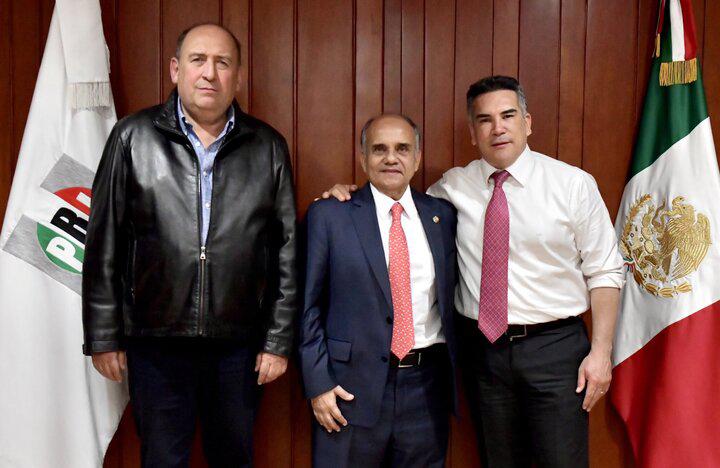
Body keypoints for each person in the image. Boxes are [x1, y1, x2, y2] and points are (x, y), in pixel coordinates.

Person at [323, 76, 624, 467]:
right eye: (485, 120)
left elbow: (605, 271)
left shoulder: (572, 185)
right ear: (472, 132)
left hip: (555, 351)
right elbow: (396, 204)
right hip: (485, 354)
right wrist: (350, 198)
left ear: (527, 123)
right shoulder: (451, 188)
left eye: (508, 116)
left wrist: (601, 353)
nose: (497, 128)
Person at [82, 23, 297, 467]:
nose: (209, 73)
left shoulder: (268, 147)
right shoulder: (132, 137)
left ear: (238, 76)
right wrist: (103, 336)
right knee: (162, 460)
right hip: (155, 343)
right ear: (176, 70)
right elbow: (104, 242)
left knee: (233, 459)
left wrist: (277, 340)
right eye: (198, 60)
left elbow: (286, 252)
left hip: (239, 346)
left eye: (223, 62)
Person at [300, 114, 459, 467]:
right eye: (379, 149)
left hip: (426, 390)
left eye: (402, 149)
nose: (391, 158)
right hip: (347, 391)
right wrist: (318, 384)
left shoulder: (442, 216)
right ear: (362, 158)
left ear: (417, 158)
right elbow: (307, 306)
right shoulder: (330, 215)